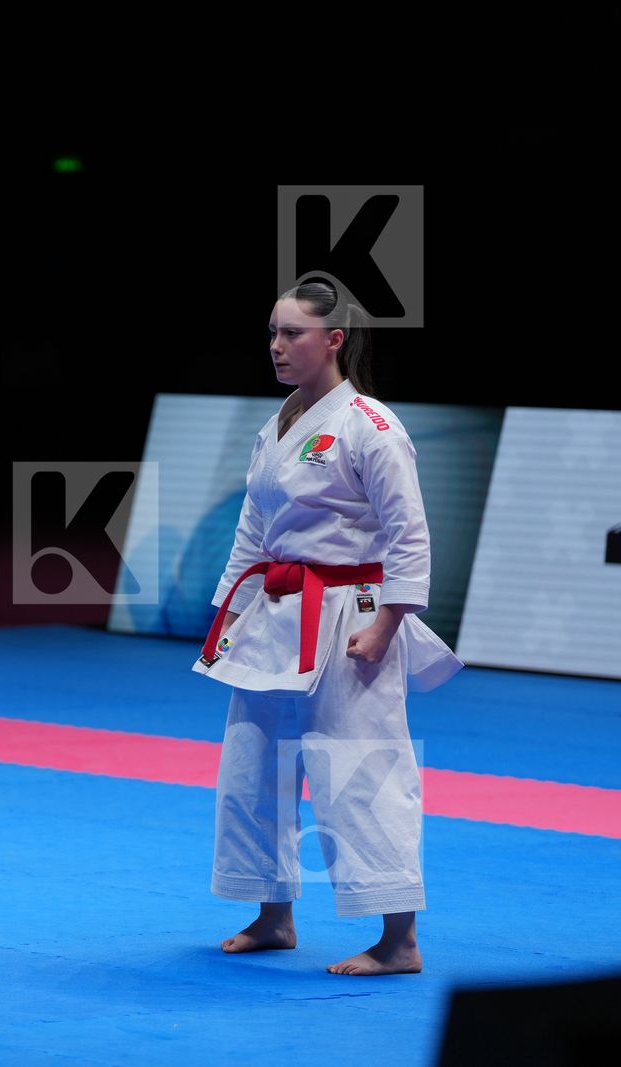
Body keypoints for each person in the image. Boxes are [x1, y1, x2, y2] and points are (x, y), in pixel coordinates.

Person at [194, 280, 462, 976]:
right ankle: (272, 914)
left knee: (360, 769)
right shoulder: (279, 422)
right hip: (275, 613)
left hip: (350, 616)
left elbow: (409, 535)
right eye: (272, 332)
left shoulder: (371, 426)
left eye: (293, 333)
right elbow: (254, 528)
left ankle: (398, 939)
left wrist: (388, 625)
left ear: (334, 339)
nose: (277, 346)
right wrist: (228, 613)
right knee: (253, 765)